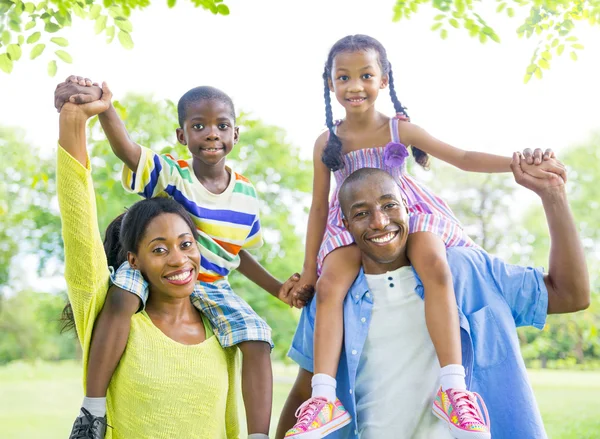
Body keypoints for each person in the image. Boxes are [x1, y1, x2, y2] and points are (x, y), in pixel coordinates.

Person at [285, 34, 568, 438]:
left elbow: (463, 158)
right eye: (343, 77)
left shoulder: (399, 129)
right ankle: (324, 397)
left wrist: (516, 165)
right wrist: (309, 271)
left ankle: (453, 388)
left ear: (383, 81)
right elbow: (317, 207)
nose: (354, 85)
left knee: (436, 264)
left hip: (405, 213)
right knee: (331, 286)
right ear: (330, 84)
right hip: (353, 222)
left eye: (366, 75)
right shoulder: (326, 142)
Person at [54, 77, 310, 439]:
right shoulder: (174, 175)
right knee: (121, 296)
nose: (210, 133)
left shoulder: (247, 194)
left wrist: (278, 289)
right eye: (198, 126)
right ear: (181, 135)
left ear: (235, 134)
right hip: (151, 276)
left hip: (214, 285)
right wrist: (106, 109)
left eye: (221, 126)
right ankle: (92, 409)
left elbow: (237, 253)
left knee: (257, 337)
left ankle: (258, 435)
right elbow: (128, 151)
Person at [278, 161, 589, 439]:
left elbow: (571, 295)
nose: (379, 222)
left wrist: (553, 195)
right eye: (361, 213)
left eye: (389, 206)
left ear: (407, 208)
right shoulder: (332, 294)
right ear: (344, 225)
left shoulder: (470, 271)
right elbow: (305, 391)